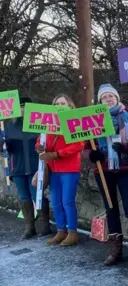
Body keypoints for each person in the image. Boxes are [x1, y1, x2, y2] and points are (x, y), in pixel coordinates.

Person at [86, 83, 128, 265]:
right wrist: (92, 155)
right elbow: (86, 146)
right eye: (104, 97)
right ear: (100, 101)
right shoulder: (93, 120)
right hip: (104, 170)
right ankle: (116, 247)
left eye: (111, 96)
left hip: (126, 168)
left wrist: (124, 147)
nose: (108, 100)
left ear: (117, 98)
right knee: (111, 209)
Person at [36, 94, 84, 246]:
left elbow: (78, 145)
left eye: (62, 103)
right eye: (57, 103)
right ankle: (61, 230)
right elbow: (40, 140)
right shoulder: (48, 123)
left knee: (67, 201)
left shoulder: (74, 122)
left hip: (69, 168)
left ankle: (72, 232)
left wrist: (57, 154)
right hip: (54, 169)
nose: (59, 106)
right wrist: (39, 147)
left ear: (70, 106)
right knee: (56, 202)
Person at [1, 96, 51, 238]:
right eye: (20, 107)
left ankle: (44, 224)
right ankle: (29, 226)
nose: (23, 110)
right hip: (17, 167)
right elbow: (4, 149)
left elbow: (45, 142)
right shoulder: (9, 126)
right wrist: (2, 143)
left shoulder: (38, 124)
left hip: (36, 166)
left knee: (38, 195)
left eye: (25, 107)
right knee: (24, 197)